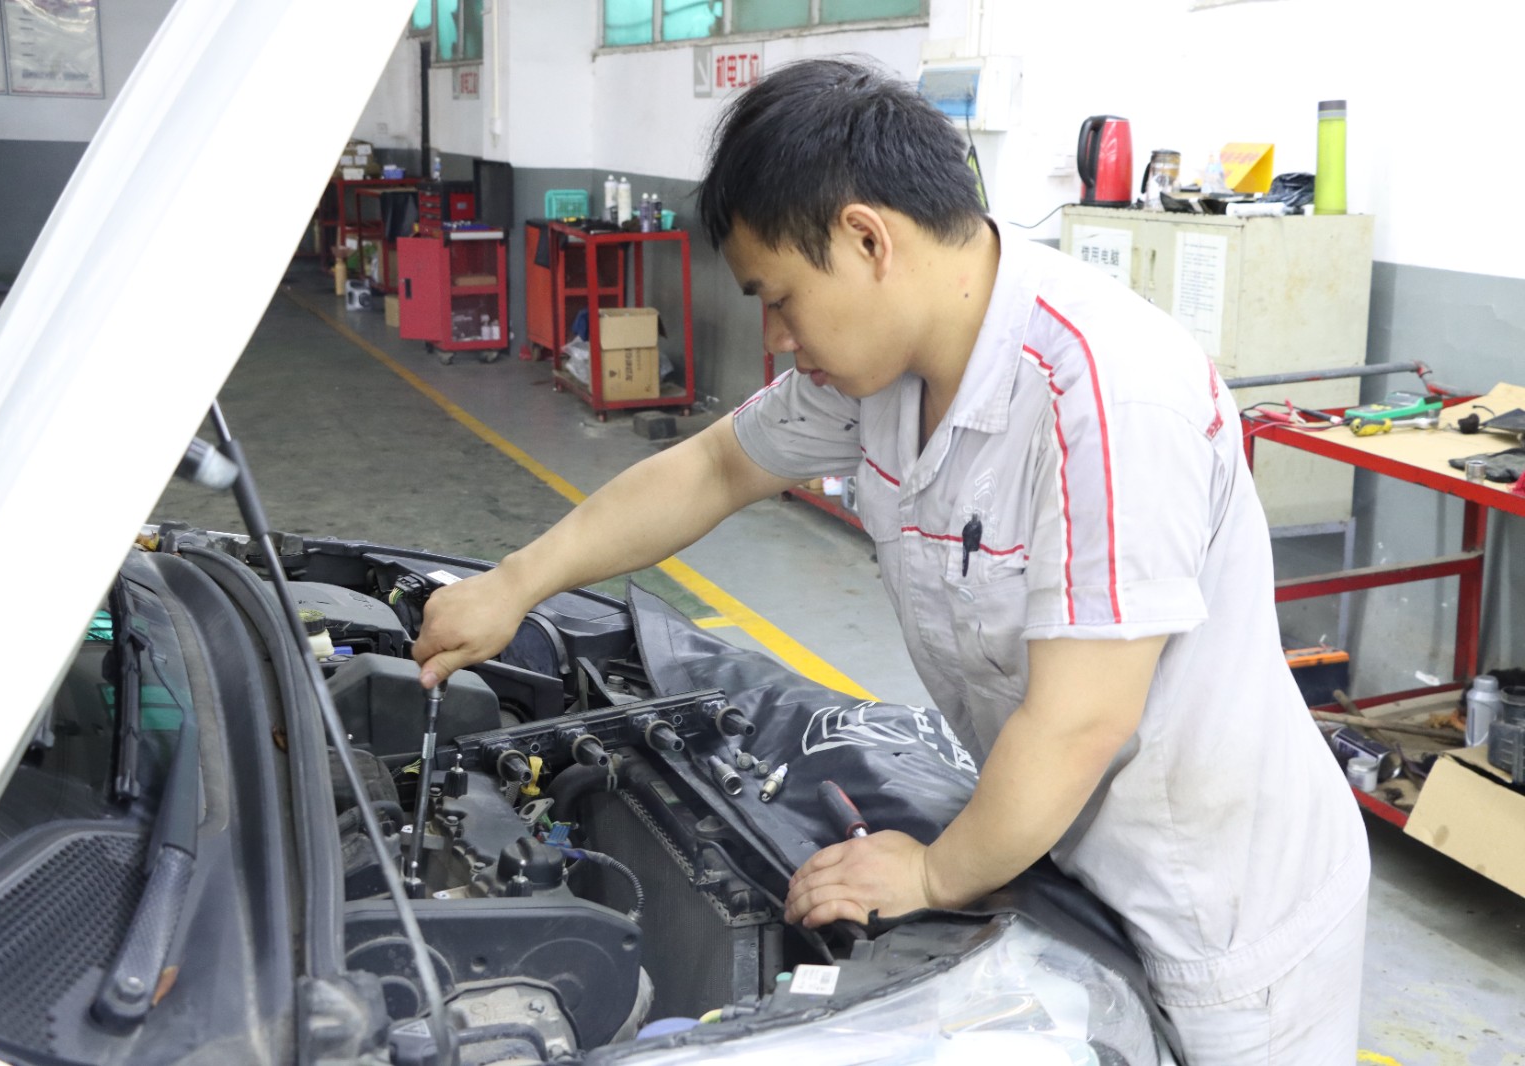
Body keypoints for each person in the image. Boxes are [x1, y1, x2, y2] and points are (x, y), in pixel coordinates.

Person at [412, 57, 1369, 1064]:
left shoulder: (1106, 392)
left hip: (1221, 920)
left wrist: (932, 875)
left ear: (868, 239)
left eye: (781, 297)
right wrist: (515, 581)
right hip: (1067, 860)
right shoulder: (881, 375)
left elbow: (1081, 718)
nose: (777, 337)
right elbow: (714, 468)